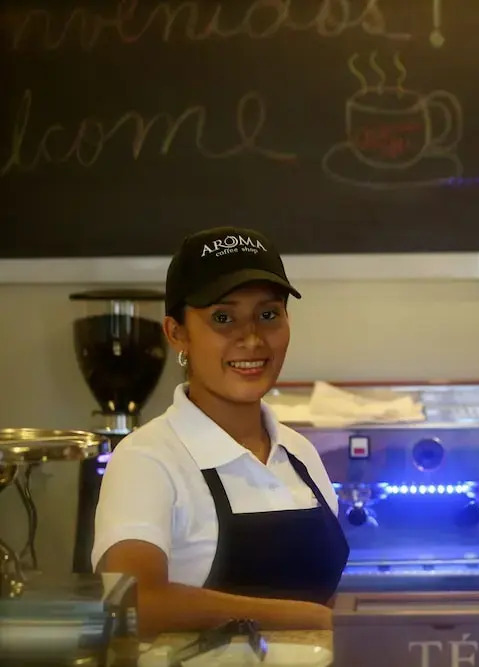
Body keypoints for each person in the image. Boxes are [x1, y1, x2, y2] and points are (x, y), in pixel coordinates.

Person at [92, 226, 349, 637]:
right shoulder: (147, 459)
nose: (252, 339)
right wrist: (311, 619)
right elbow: (135, 602)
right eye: (223, 318)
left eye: (268, 315)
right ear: (177, 333)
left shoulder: (299, 453)